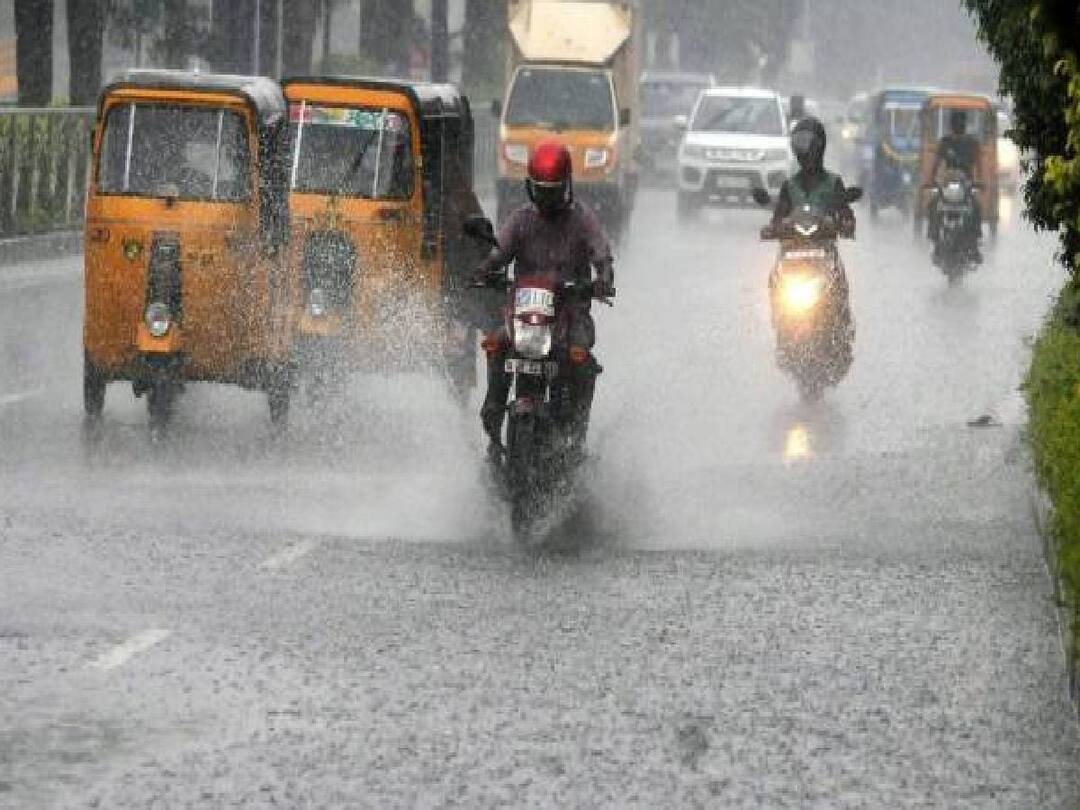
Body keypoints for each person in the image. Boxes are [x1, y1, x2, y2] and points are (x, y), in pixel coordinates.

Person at [473, 139, 615, 455]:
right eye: (542, 190)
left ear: (566, 186)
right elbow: (500, 251)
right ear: (531, 187)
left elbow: (600, 251)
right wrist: (485, 269)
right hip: (525, 313)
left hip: (569, 312)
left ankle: (576, 434)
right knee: (497, 343)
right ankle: (493, 414)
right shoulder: (521, 219)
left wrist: (603, 278)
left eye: (553, 191)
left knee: (580, 355)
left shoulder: (582, 219)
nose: (547, 198)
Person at [770, 116, 856, 237]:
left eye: (807, 142)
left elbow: (844, 212)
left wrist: (846, 224)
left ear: (819, 145)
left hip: (824, 243)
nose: (804, 150)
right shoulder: (789, 185)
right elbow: (779, 216)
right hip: (792, 243)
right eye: (799, 143)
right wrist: (774, 227)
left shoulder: (834, 183)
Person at [928, 109, 982, 258]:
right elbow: (936, 163)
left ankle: (974, 243)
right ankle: (935, 237)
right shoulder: (946, 142)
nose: (959, 126)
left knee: (975, 208)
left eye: (960, 123)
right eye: (957, 123)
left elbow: (979, 164)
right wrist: (931, 181)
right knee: (933, 205)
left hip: (966, 185)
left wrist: (979, 181)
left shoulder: (971, 143)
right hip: (948, 184)